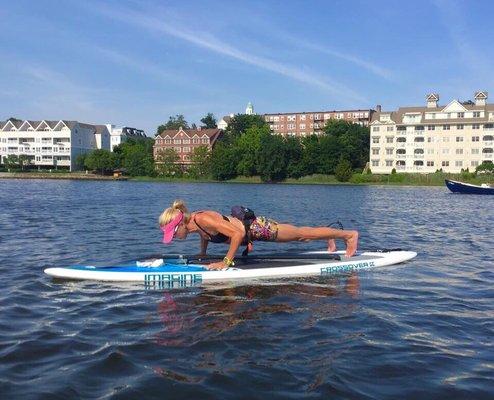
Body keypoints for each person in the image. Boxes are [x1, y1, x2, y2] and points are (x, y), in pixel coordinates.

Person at [158, 199, 359, 270]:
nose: (174, 238)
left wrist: (225, 262)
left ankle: (348, 235)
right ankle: (326, 234)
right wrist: (203, 255)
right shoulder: (194, 224)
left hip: (256, 228)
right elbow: (206, 235)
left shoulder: (202, 219)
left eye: (173, 233)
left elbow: (236, 234)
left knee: (299, 234)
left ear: (180, 224)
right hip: (252, 231)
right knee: (301, 234)